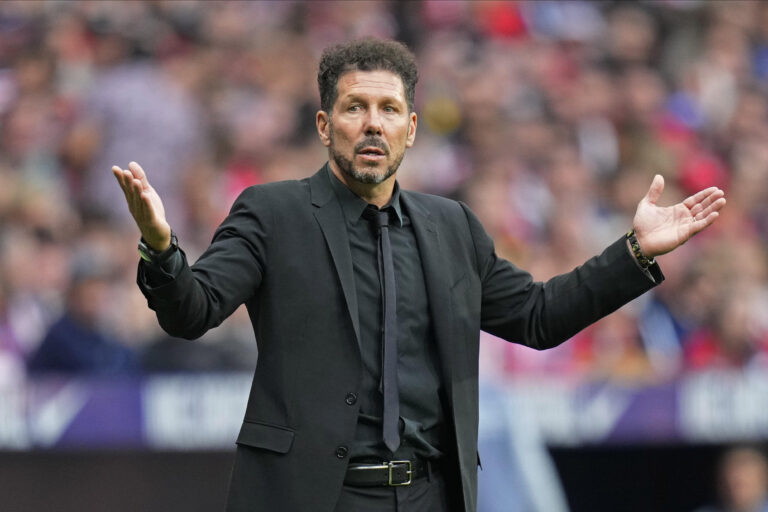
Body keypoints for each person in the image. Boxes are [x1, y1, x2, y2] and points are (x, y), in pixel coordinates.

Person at [112, 39, 725, 512]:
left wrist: (635, 250)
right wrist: (163, 247)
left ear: (411, 127)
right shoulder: (273, 212)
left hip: (430, 495)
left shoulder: (452, 226)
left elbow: (539, 318)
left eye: (389, 109)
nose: (373, 123)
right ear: (326, 126)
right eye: (355, 108)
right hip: (313, 497)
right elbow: (192, 311)